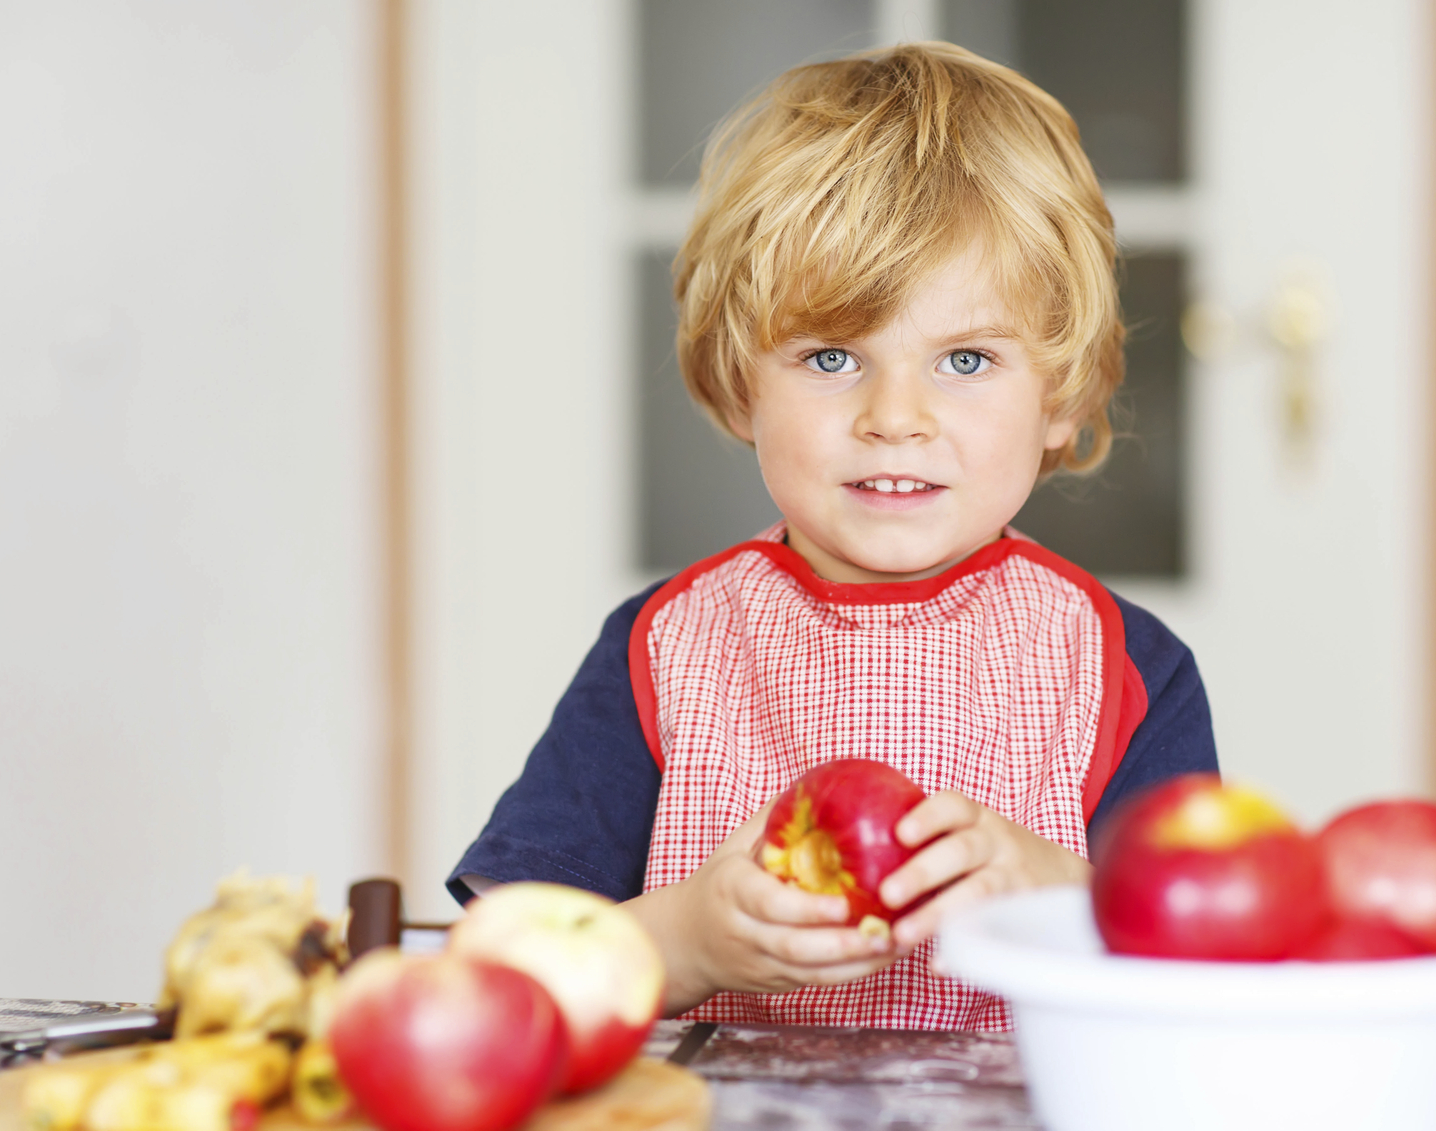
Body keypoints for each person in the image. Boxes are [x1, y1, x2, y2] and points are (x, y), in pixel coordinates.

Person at [448, 42, 1216, 1030]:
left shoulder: (1123, 667)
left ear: (1058, 395)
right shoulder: (667, 647)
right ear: (736, 385)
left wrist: (1057, 893)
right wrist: (685, 940)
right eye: (831, 357)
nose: (895, 416)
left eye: (968, 359)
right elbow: (509, 972)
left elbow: (1203, 968)